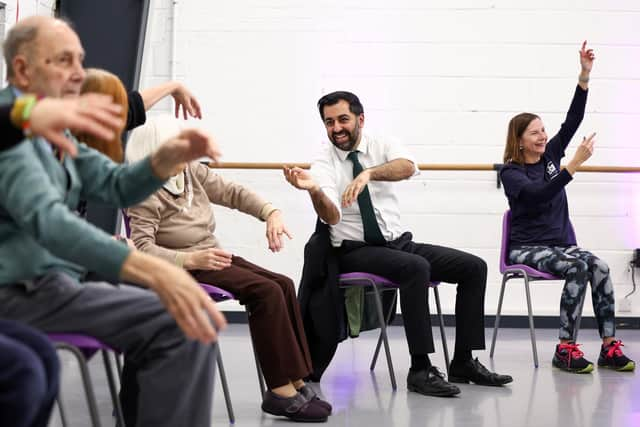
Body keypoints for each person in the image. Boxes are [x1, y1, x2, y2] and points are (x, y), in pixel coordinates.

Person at [0, 15, 226, 427]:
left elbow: (113, 184)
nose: (78, 74)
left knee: (186, 322)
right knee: (184, 323)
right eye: (63, 61)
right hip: (18, 292)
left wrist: (163, 160)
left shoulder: (57, 131)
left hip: (54, 287)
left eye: (80, 61)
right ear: (22, 69)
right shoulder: (11, 128)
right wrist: (152, 270)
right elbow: (48, 221)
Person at [284, 90, 513, 398]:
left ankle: (463, 361)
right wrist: (314, 192)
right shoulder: (324, 162)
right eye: (329, 122)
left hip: (398, 244)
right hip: (355, 252)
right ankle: (420, 369)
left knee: (473, 267)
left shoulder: (381, 144)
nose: (336, 128)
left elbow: (407, 166)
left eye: (343, 119)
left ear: (360, 119)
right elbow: (332, 216)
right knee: (415, 268)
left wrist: (368, 173)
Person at [125, 116, 332, 422]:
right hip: (182, 266)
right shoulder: (143, 191)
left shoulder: (191, 172)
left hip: (209, 255)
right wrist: (189, 260)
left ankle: (296, 377)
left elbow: (233, 192)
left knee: (284, 283)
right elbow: (142, 249)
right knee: (266, 292)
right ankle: (279, 391)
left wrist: (270, 212)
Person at [500, 41, 634, 373]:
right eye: (534, 133)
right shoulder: (512, 172)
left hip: (560, 244)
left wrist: (584, 76)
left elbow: (572, 120)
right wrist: (572, 166)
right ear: (519, 140)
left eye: (543, 130)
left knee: (599, 266)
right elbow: (538, 196)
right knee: (577, 268)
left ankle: (608, 346)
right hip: (525, 249)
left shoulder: (550, 156)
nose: (543, 136)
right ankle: (565, 348)